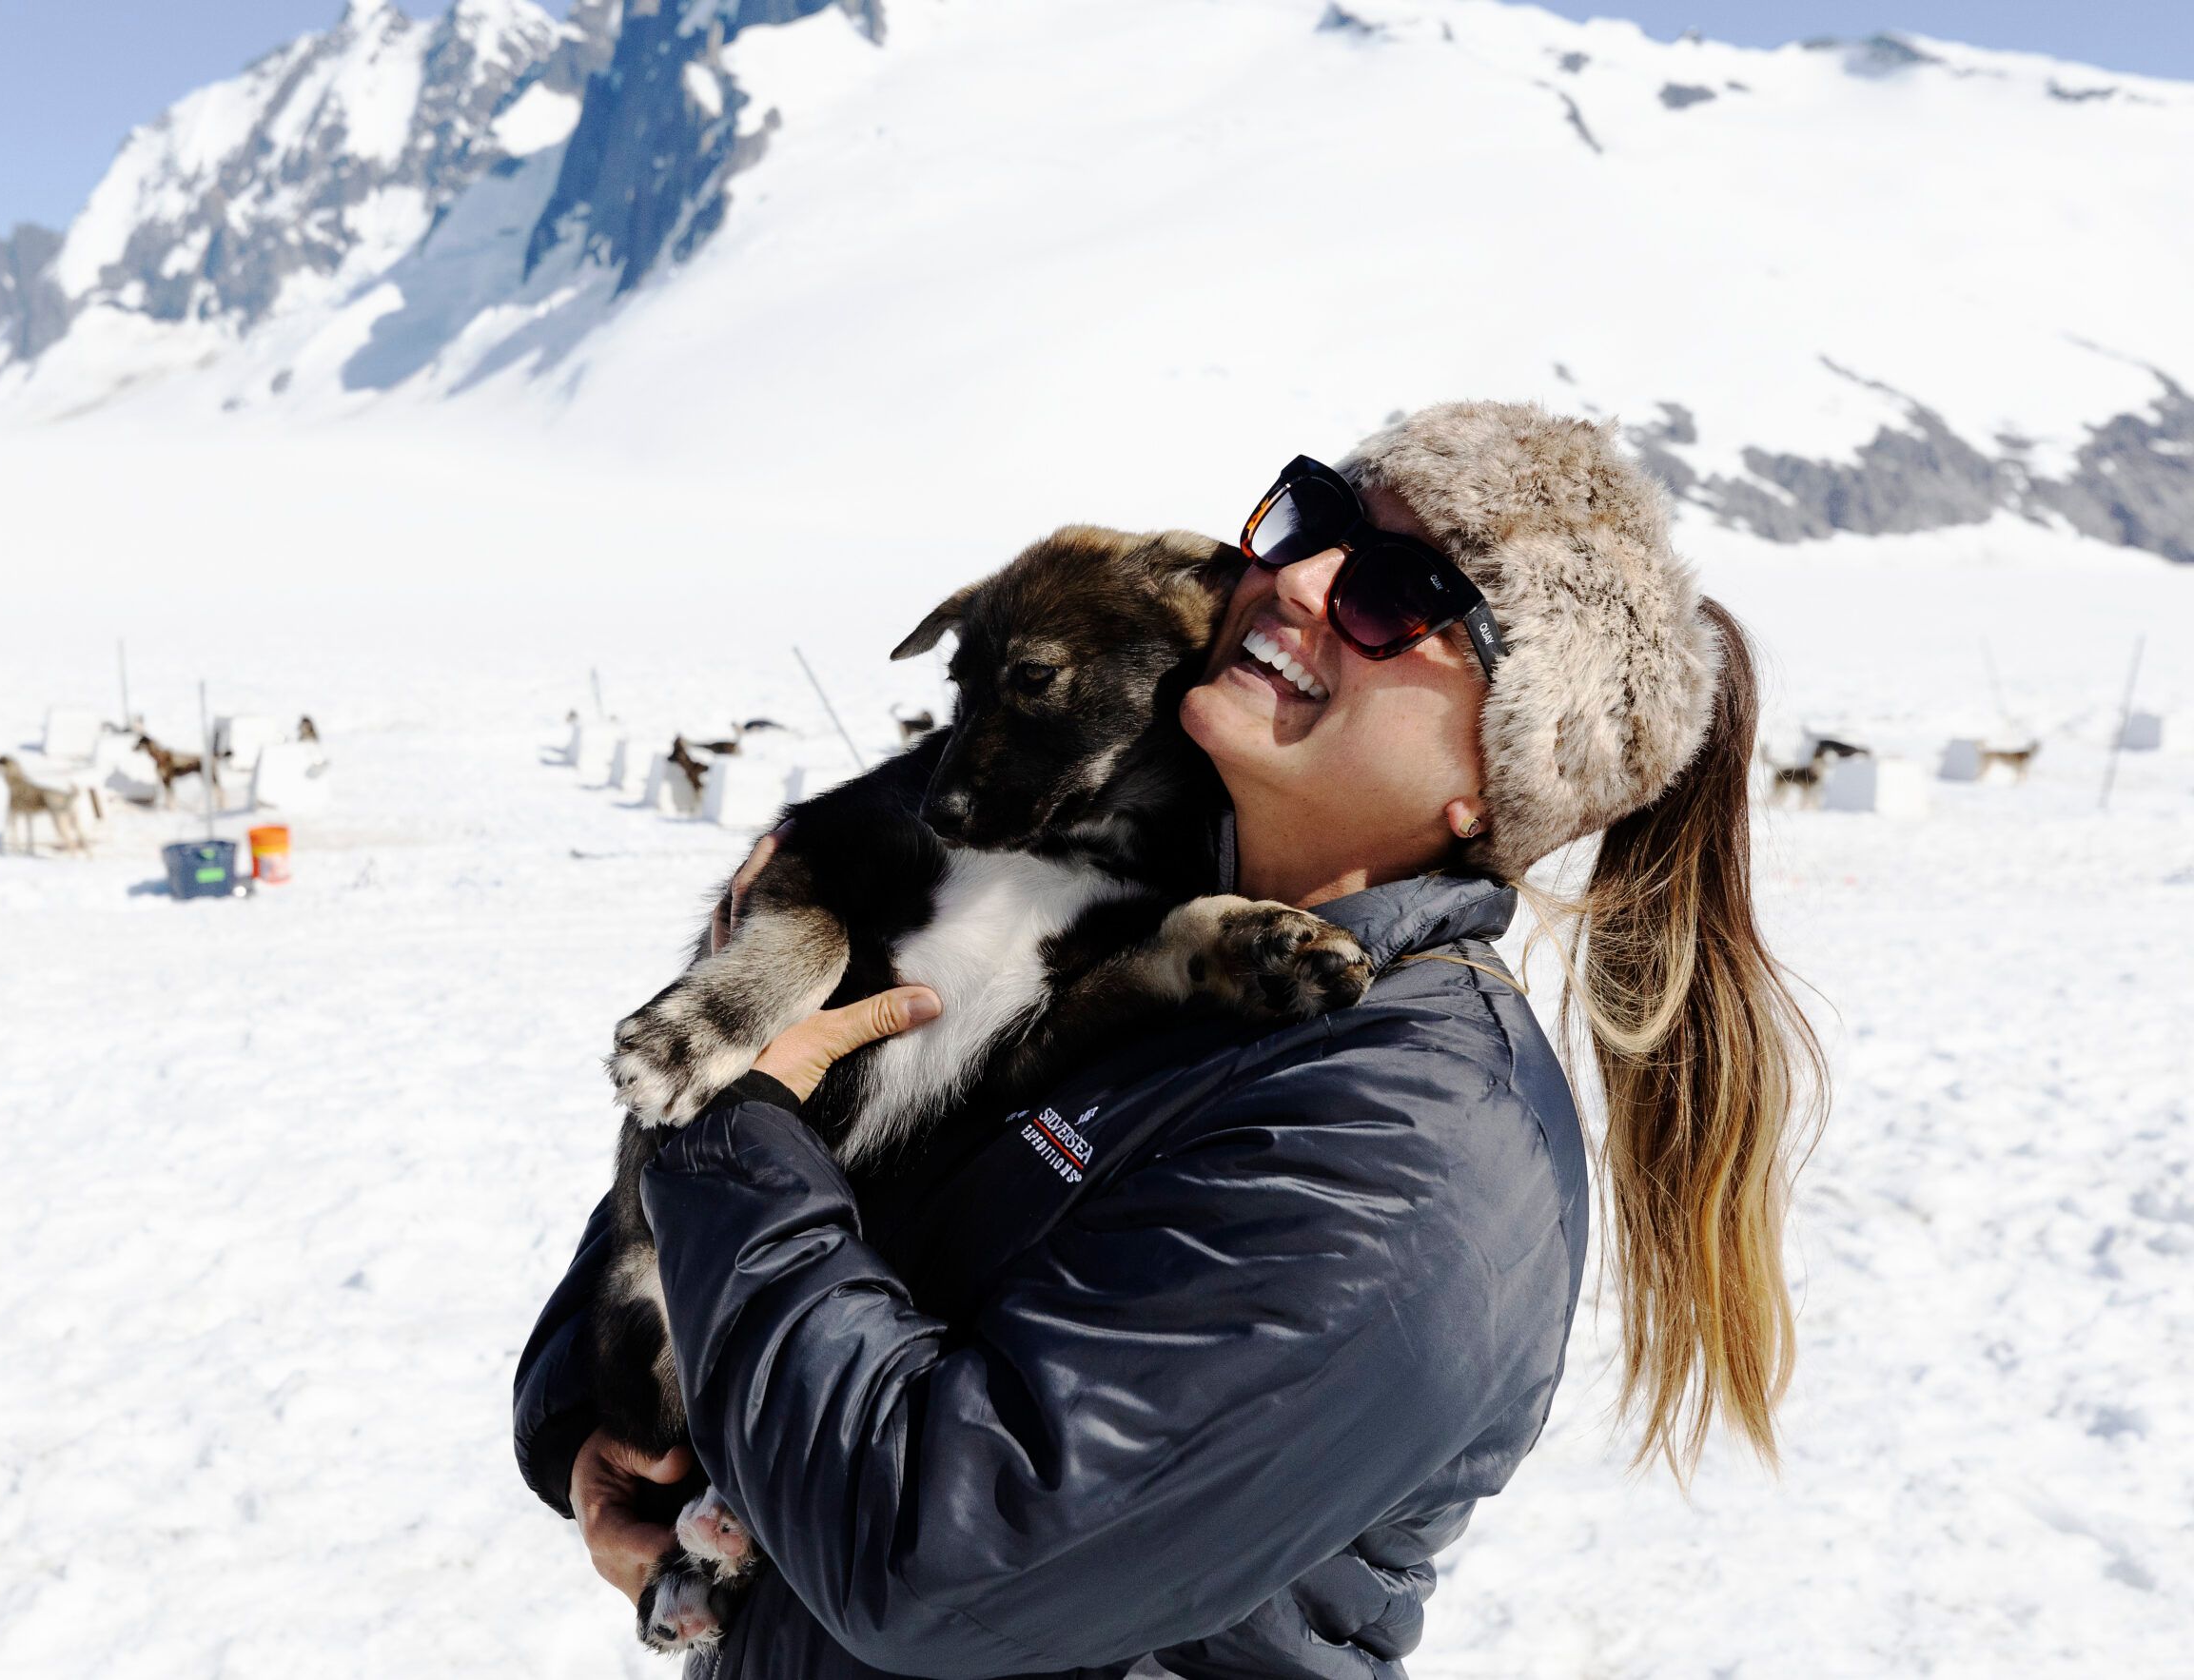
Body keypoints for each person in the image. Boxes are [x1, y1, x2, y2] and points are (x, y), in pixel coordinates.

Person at [513, 401, 1826, 1678]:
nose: (1299, 580)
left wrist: (733, 1141)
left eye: (1392, 593)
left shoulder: (1406, 1143)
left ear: (1496, 772)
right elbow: (837, 1168)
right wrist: (607, 1417)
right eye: (1309, 517)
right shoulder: (1134, 911)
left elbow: (944, 1559)